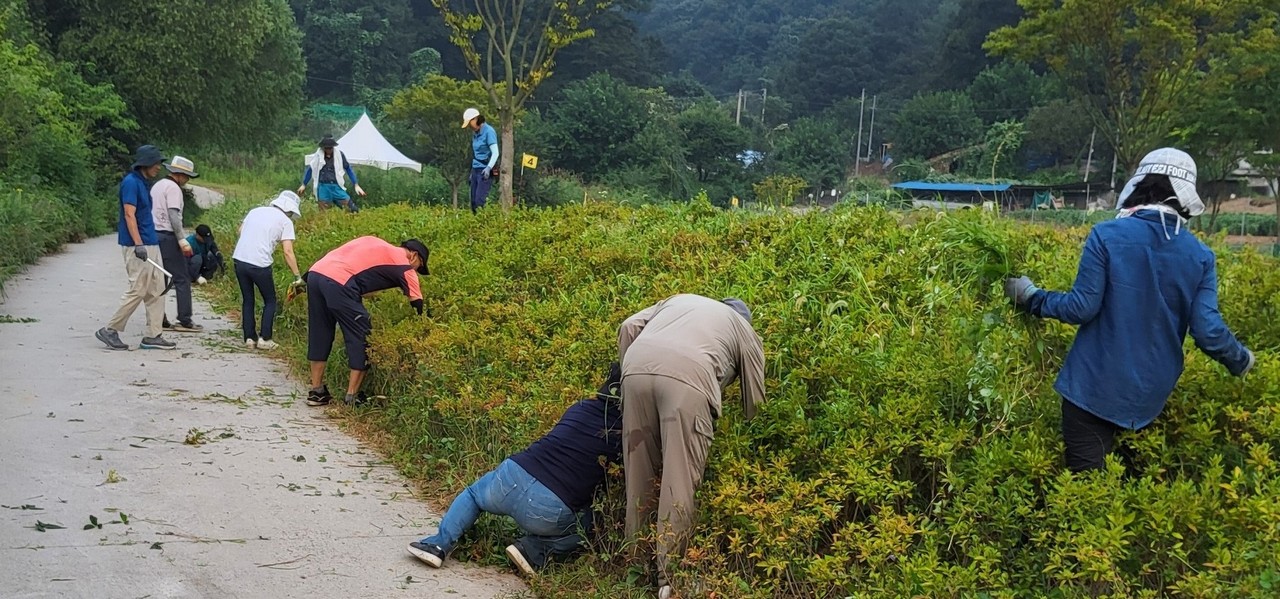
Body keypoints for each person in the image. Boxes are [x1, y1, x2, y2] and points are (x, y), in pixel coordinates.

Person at [1004, 147, 1255, 473]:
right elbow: (1208, 331)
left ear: (1141, 185)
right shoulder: (1200, 255)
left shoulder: (1107, 235)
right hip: (1149, 399)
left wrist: (1031, 297)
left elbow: (1081, 307)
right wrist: (1242, 360)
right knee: (1136, 488)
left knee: (1086, 490)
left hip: (1093, 389)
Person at [408, 362, 624, 576]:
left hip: (512, 476)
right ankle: (532, 550)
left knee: (473, 495)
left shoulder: (581, 407)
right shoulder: (625, 431)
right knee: (593, 524)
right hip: (550, 508)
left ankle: (438, 545)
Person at [617, 294, 766, 597]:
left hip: (635, 369)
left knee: (638, 474)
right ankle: (669, 580)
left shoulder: (680, 301)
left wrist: (627, 376)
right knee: (679, 480)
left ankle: (635, 565)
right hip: (689, 379)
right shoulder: (743, 328)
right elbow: (756, 406)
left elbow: (629, 326)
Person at [304, 236, 429, 407]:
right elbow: (417, 303)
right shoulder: (405, 267)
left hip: (315, 274)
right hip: (338, 281)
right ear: (414, 256)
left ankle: (316, 391)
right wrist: (427, 326)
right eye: (419, 267)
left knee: (320, 331)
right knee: (362, 333)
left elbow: (348, 263)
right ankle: (352, 397)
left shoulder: (374, 242)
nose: (417, 271)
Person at [95, 145, 177, 351]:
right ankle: (110, 329)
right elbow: (129, 214)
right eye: (156, 163)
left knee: (157, 289)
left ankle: (153, 335)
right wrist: (138, 243)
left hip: (150, 242)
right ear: (146, 163)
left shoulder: (142, 182)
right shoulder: (131, 183)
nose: (159, 167)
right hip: (138, 245)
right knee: (138, 289)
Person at [231, 191, 303, 351]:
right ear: (290, 210)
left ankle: (249, 338)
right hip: (260, 264)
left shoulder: (255, 211)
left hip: (240, 259)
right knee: (270, 300)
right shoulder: (286, 222)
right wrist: (297, 276)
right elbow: (288, 252)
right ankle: (265, 338)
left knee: (248, 299)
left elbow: (240, 230)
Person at [151, 155, 202, 333]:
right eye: (186, 176)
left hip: (154, 235)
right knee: (181, 278)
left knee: (160, 279)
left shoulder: (157, 185)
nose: (187, 180)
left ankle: (158, 317)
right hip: (168, 235)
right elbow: (173, 216)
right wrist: (182, 240)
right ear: (179, 174)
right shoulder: (174, 188)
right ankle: (185, 319)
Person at [297, 135, 364, 212]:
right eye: (327, 148)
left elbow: (348, 168)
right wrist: (304, 184)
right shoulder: (318, 157)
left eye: (330, 148)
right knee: (323, 213)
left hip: (336, 187)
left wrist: (356, 184)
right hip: (323, 188)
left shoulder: (339, 155)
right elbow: (311, 169)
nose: (328, 150)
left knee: (352, 209)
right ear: (323, 148)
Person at [462, 107, 498, 214]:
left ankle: (483, 221)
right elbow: (476, 154)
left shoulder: (489, 132)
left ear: (475, 119)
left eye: (470, 123)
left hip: (485, 171)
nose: (469, 126)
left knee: (479, 202)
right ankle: (474, 222)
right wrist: (472, 172)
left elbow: (495, 153)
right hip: (475, 169)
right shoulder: (475, 133)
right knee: (473, 202)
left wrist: (488, 168)